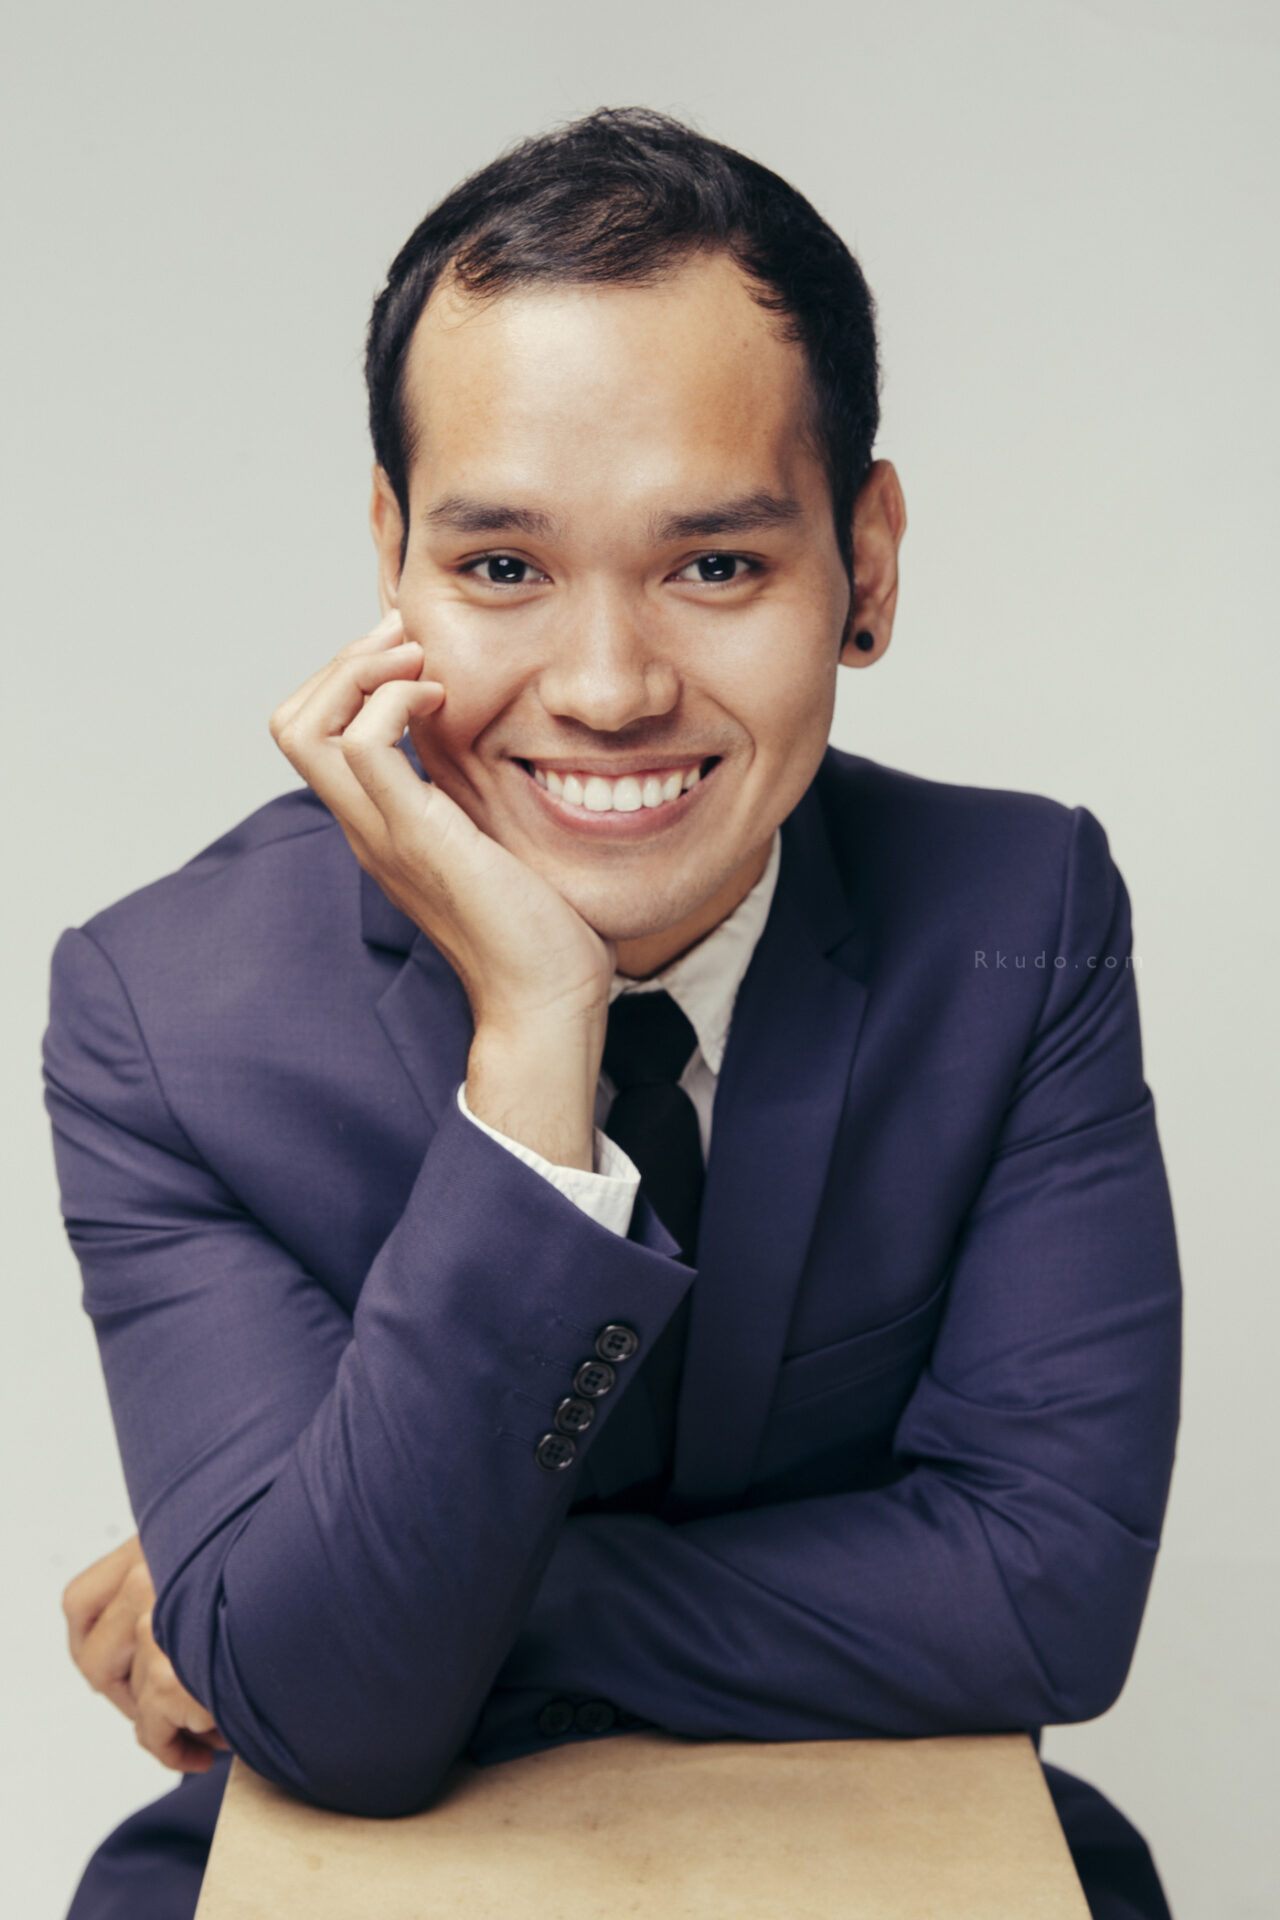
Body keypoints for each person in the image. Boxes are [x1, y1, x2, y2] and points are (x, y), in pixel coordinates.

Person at [46, 107, 1181, 1920]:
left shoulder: (1020, 916)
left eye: (714, 565)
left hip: (896, 1823)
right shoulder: (165, 1015)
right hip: (343, 1853)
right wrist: (535, 1038)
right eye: (503, 569)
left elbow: (1049, 1593)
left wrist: (332, 1602)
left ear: (868, 564)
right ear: (394, 558)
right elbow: (336, 1728)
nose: (606, 686)